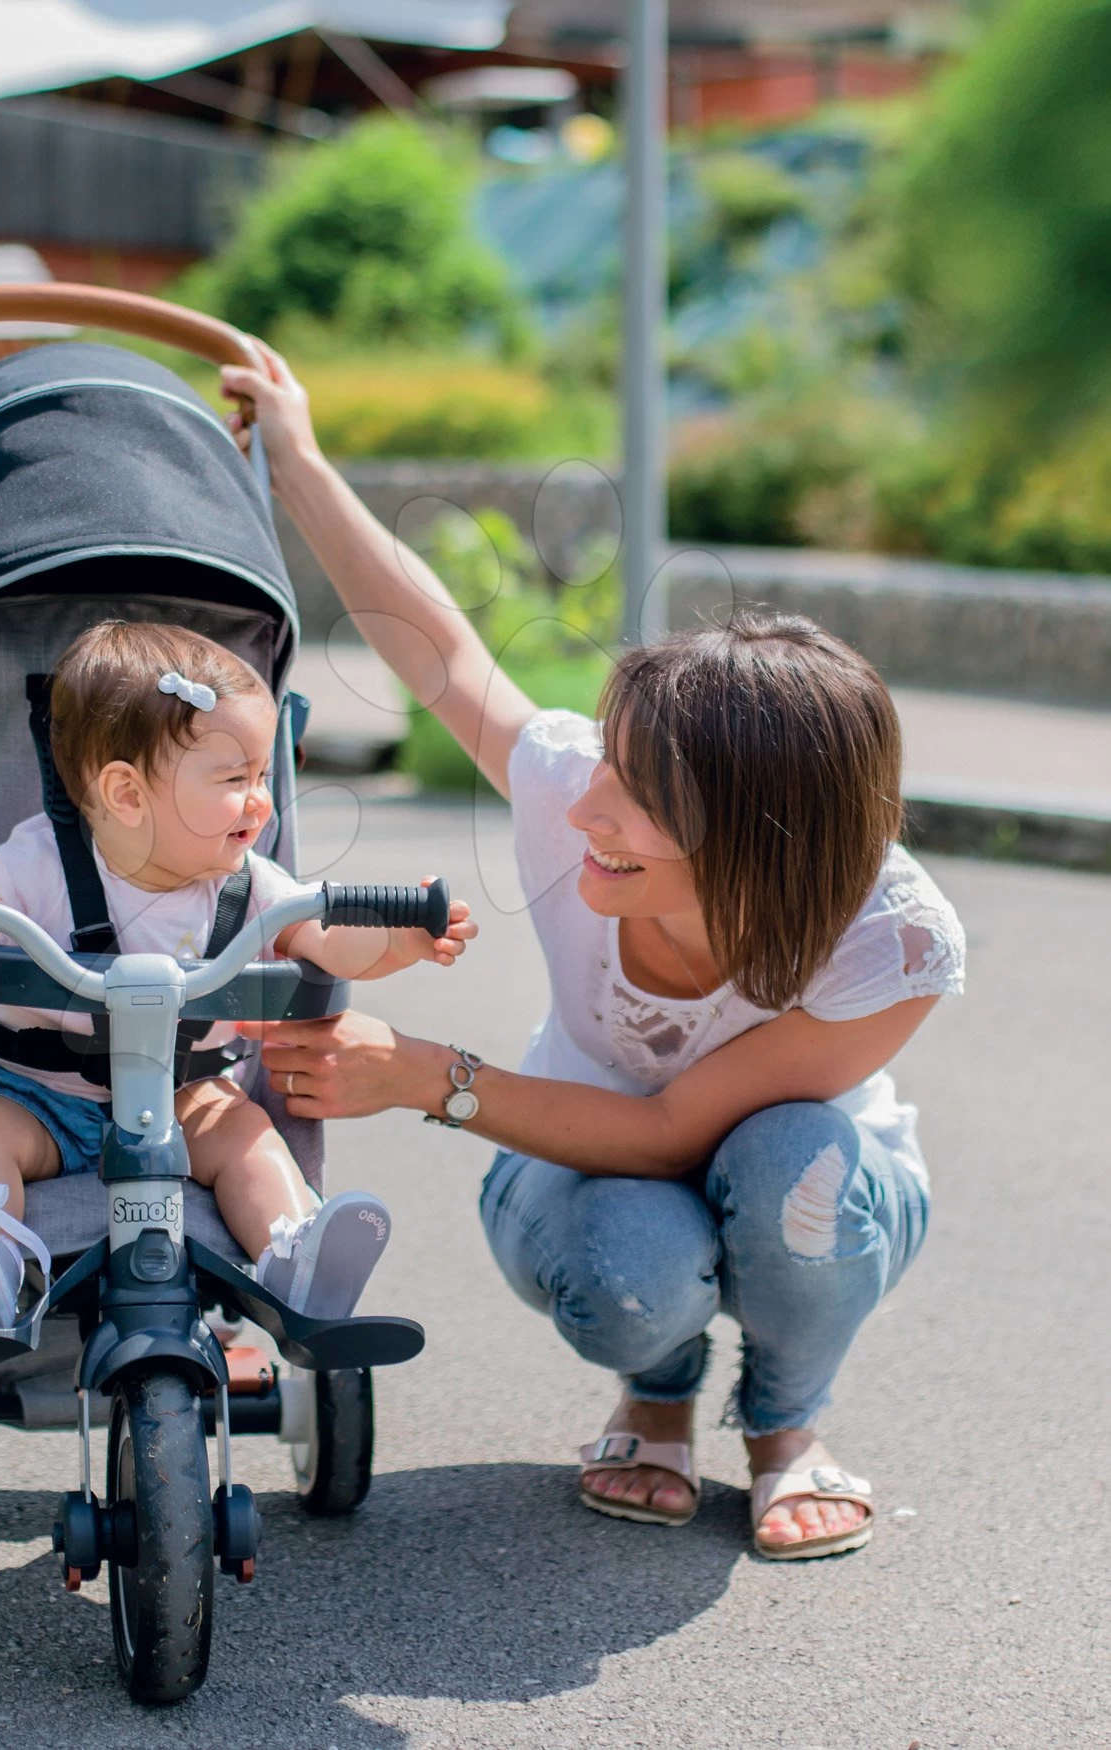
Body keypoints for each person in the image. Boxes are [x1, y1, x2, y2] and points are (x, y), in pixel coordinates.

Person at [216, 344, 965, 1562]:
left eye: (636, 799)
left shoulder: (892, 938)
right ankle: (655, 1393)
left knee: (796, 1163)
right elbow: (440, 651)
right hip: (581, 1177)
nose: (581, 814)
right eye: (602, 766)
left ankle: (787, 1428)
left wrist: (422, 1074)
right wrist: (295, 455)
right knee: (630, 1265)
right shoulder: (579, 789)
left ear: (761, 835)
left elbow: (679, 1126)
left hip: (811, 1190)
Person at [0, 620, 476, 1332]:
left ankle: (294, 1254)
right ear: (125, 794)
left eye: (264, 776)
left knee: (244, 1134)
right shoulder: (36, 869)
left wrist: (399, 941)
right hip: (35, 1095)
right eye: (234, 779)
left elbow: (331, 942)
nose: (260, 801)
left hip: (185, 1095)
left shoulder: (251, 887)